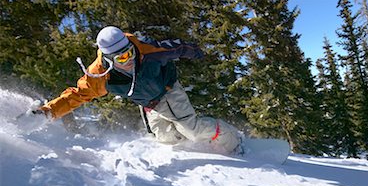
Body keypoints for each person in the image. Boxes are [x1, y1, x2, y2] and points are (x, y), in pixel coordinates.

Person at [37, 26, 241, 154]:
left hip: (168, 91)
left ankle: (233, 141)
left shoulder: (147, 51)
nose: (130, 59)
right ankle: (198, 145)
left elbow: (176, 48)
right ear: (108, 60)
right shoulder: (99, 76)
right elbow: (75, 96)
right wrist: (48, 112)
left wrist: (196, 52)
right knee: (165, 139)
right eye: (122, 58)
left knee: (193, 130)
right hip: (149, 104)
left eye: (130, 52)